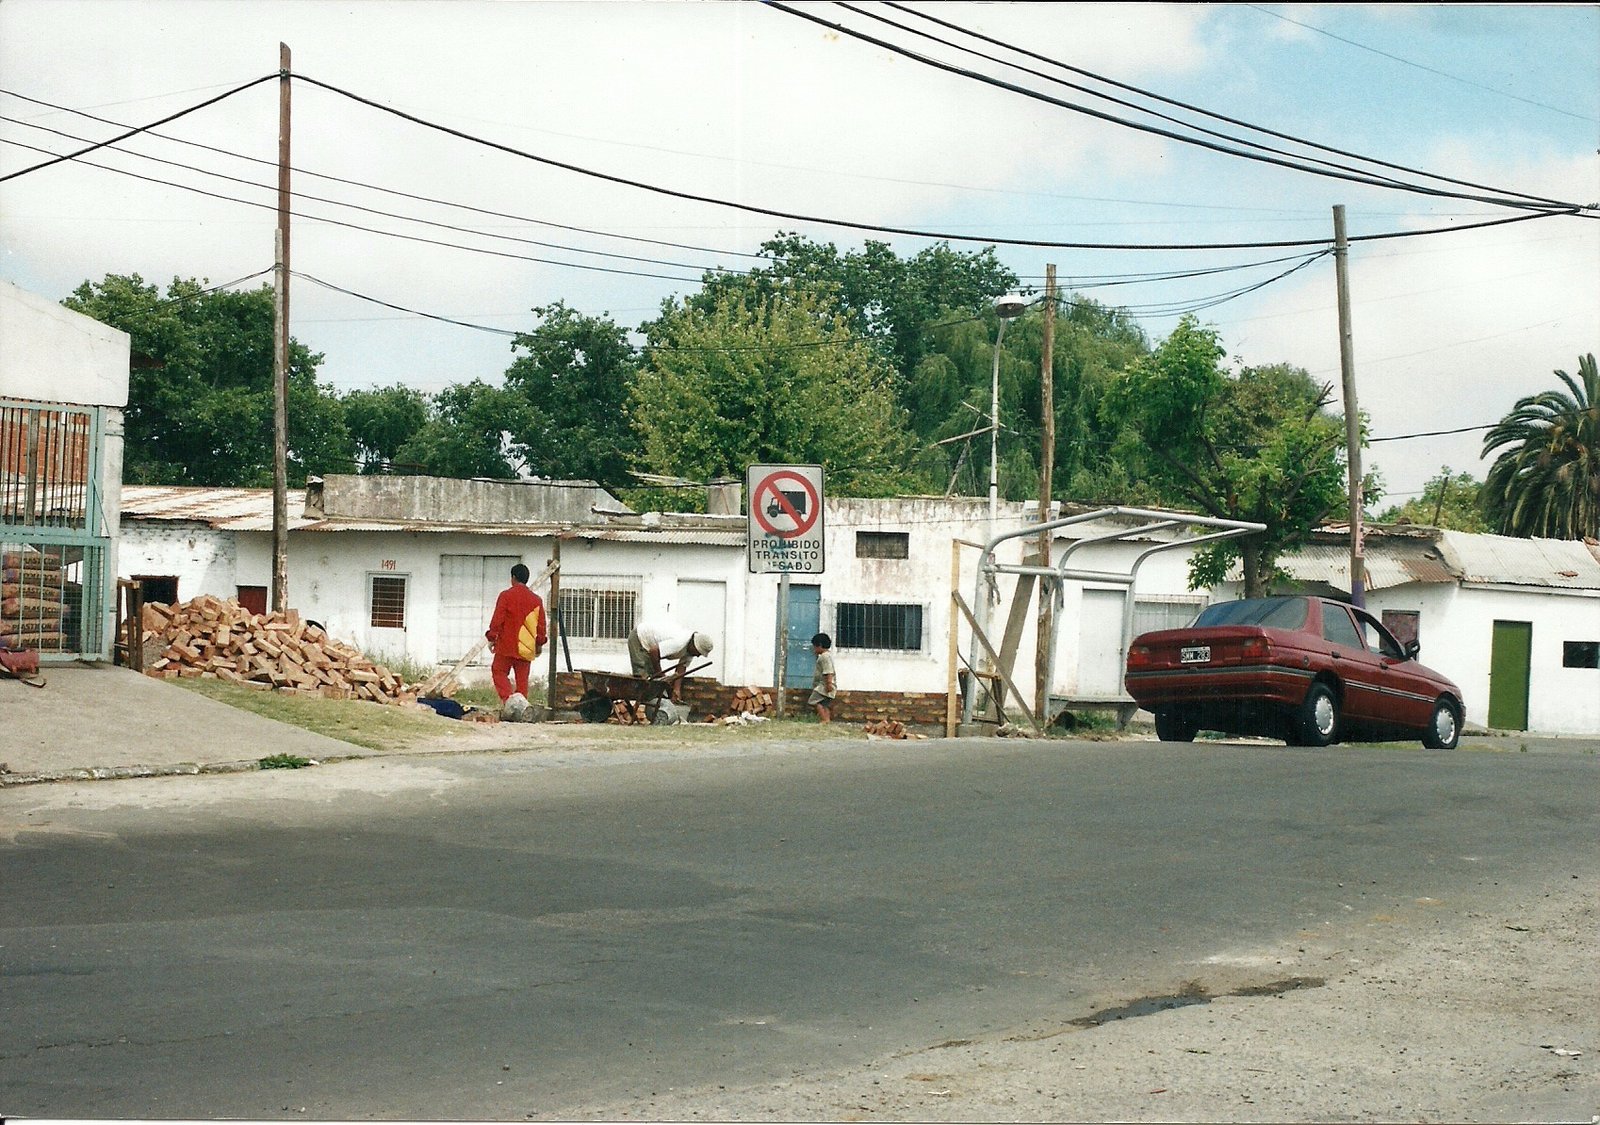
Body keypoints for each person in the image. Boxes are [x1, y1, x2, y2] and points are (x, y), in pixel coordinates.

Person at [485, 563, 547, 709]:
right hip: (526, 647)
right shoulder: (536, 600)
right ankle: (522, 708)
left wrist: (492, 637)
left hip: (506, 645)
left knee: (498, 671)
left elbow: (497, 620)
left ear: (513, 578)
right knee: (522, 681)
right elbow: (541, 626)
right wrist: (539, 643)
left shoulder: (506, 596)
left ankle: (508, 701)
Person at [628, 618, 714, 703]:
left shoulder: (690, 651)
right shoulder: (679, 642)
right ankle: (638, 709)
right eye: (699, 652)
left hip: (650, 648)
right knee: (643, 679)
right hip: (640, 639)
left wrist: (676, 690)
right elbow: (654, 652)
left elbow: (681, 668)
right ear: (694, 646)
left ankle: (649, 709)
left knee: (654, 682)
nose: (698, 656)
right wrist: (660, 675)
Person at [809, 632, 837, 723]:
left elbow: (828, 671)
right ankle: (827, 719)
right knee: (824, 704)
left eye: (815, 647)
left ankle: (824, 719)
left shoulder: (824, 657)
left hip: (824, 686)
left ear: (819, 645)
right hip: (826, 685)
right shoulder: (827, 656)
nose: (814, 649)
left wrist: (828, 684)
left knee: (815, 701)